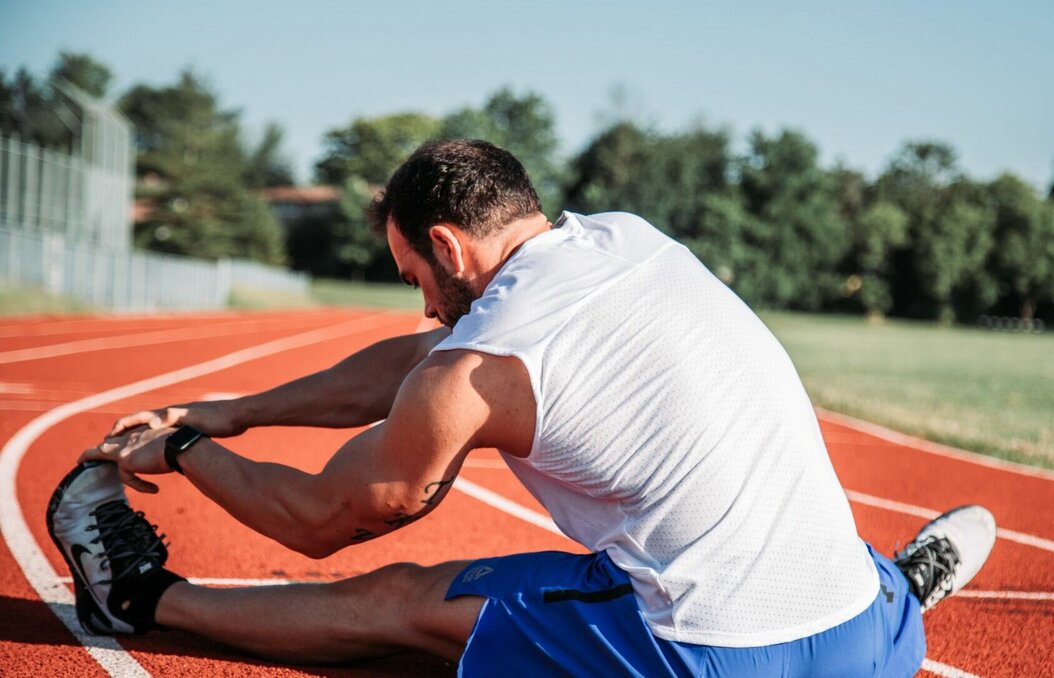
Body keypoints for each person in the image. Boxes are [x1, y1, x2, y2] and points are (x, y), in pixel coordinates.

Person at [49, 139, 996, 676]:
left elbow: (318, 520)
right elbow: (420, 356)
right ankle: (903, 591)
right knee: (780, 515)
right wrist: (239, 410)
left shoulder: (475, 372)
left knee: (403, 602)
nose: (421, 302)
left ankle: (140, 600)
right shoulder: (624, 240)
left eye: (415, 273)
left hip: (707, 659)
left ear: (451, 248)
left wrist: (179, 453)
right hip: (858, 639)